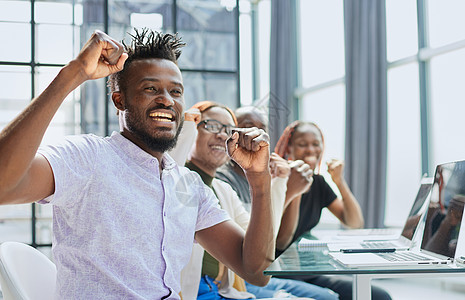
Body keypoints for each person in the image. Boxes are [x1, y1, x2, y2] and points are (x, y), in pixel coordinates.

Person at [0, 29, 275, 299]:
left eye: (176, 91)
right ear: (120, 100)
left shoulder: (188, 185)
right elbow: (4, 185)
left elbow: (256, 272)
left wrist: (259, 179)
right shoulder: (87, 157)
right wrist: (73, 75)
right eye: (151, 88)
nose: (167, 100)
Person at [180, 102, 338, 299]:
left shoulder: (223, 190)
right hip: (201, 290)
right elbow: (270, 252)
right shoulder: (179, 182)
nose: (222, 135)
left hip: (225, 286)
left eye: (229, 129)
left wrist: (277, 184)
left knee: (329, 297)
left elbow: (259, 250)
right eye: (211, 125)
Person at [272, 121, 391, 300]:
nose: (311, 150)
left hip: (307, 271)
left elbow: (354, 222)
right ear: (289, 148)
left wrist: (339, 181)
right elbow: (282, 240)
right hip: (279, 272)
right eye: (302, 144)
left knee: (380, 296)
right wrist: (296, 187)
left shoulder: (318, 182)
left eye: (316, 144)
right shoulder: (278, 181)